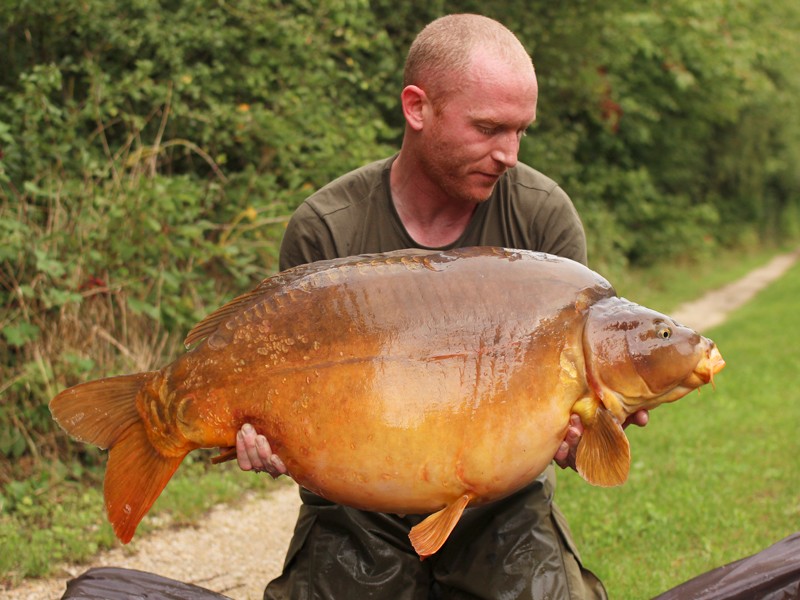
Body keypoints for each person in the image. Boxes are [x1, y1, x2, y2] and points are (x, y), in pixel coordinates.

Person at [236, 14, 648, 600]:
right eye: (488, 128)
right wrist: (267, 438)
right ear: (417, 108)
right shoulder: (327, 227)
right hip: (355, 506)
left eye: (519, 132)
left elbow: (570, 417)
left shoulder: (541, 218)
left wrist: (587, 430)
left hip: (499, 507)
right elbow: (291, 389)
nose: (507, 153)